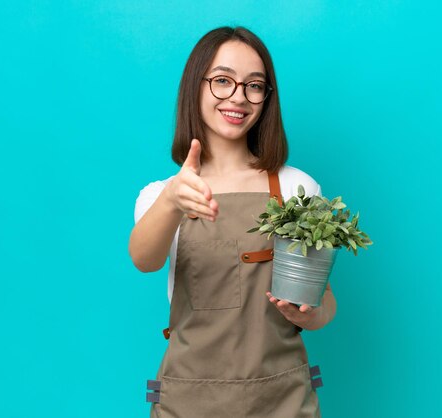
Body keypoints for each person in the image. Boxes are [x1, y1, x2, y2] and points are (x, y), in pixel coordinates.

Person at [129, 26, 336, 418]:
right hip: (188, 401)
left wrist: (308, 313)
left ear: (266, 98)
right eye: (222, 81)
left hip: (283, 400)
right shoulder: (161, 194)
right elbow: (144, 258)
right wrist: (174, 199)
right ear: (196, 86)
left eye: (254, 85)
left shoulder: (298, 188)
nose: (238, 97)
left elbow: (325, 305)